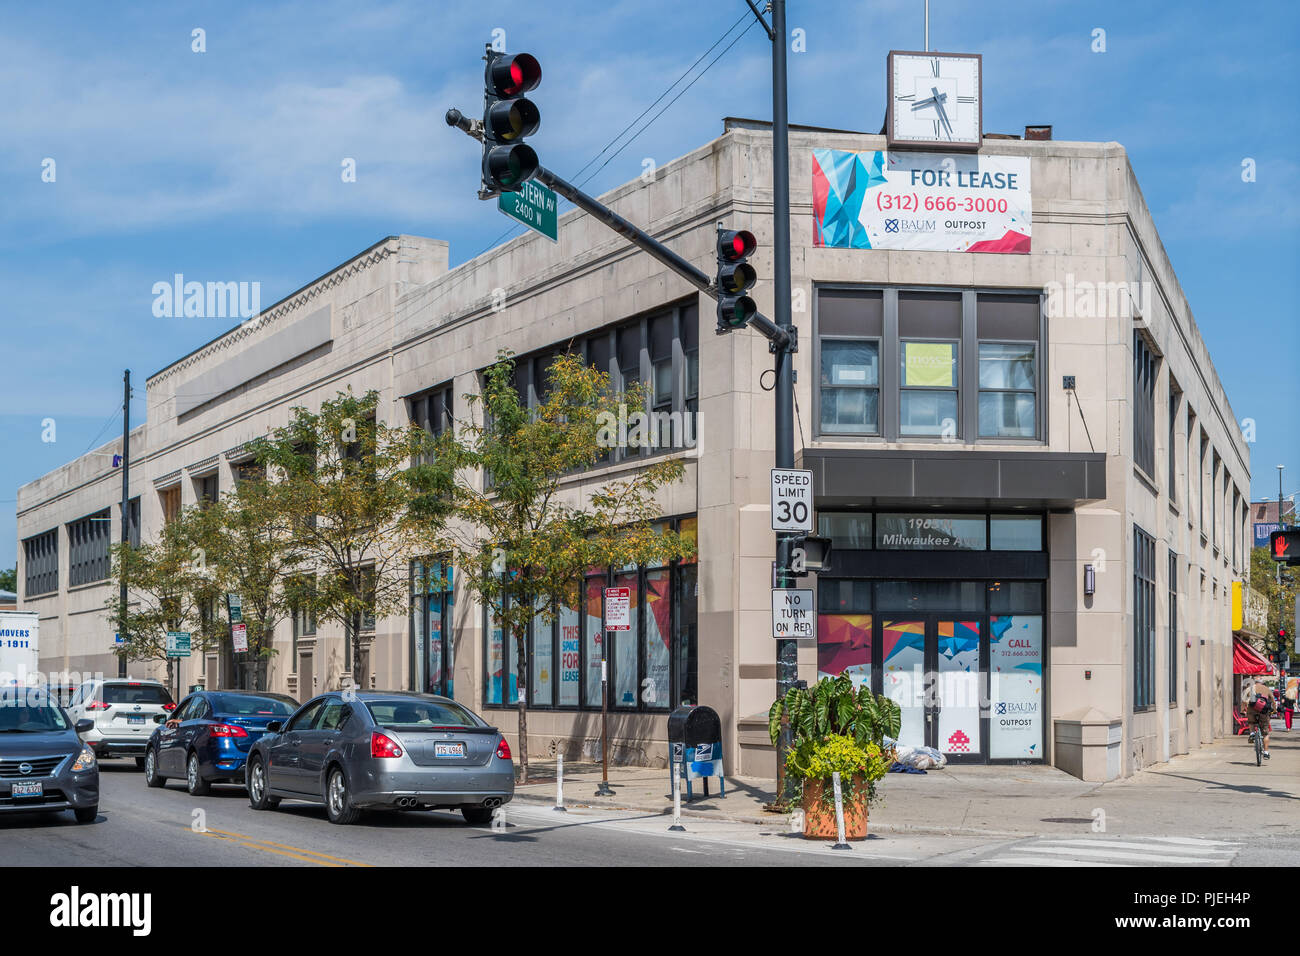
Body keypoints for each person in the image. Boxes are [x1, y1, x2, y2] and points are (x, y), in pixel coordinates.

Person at [1241, 677, 1277, 759]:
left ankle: (1252, 733)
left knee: (1251, 722)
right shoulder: (1267, 689)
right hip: (1264, 712)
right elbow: (1273, 701)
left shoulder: (1250, 688)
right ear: (1262, 682)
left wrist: (1243, 710)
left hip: (1252, 710)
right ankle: (1266, 752)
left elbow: (1243, 700)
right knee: (1265, 733)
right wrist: (1274, 711)